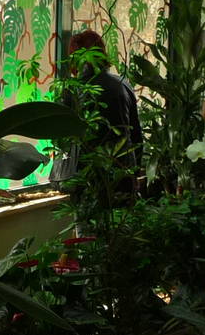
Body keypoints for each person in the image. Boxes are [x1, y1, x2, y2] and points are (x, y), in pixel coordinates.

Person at [59, 30, 143, 205]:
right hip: (122, 174)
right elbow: (136, 136)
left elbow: (63, 140)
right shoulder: (123, 85)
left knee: (87, 231)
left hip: (86, 180)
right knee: (121, 229)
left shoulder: (72, 91)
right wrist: (134, 172)